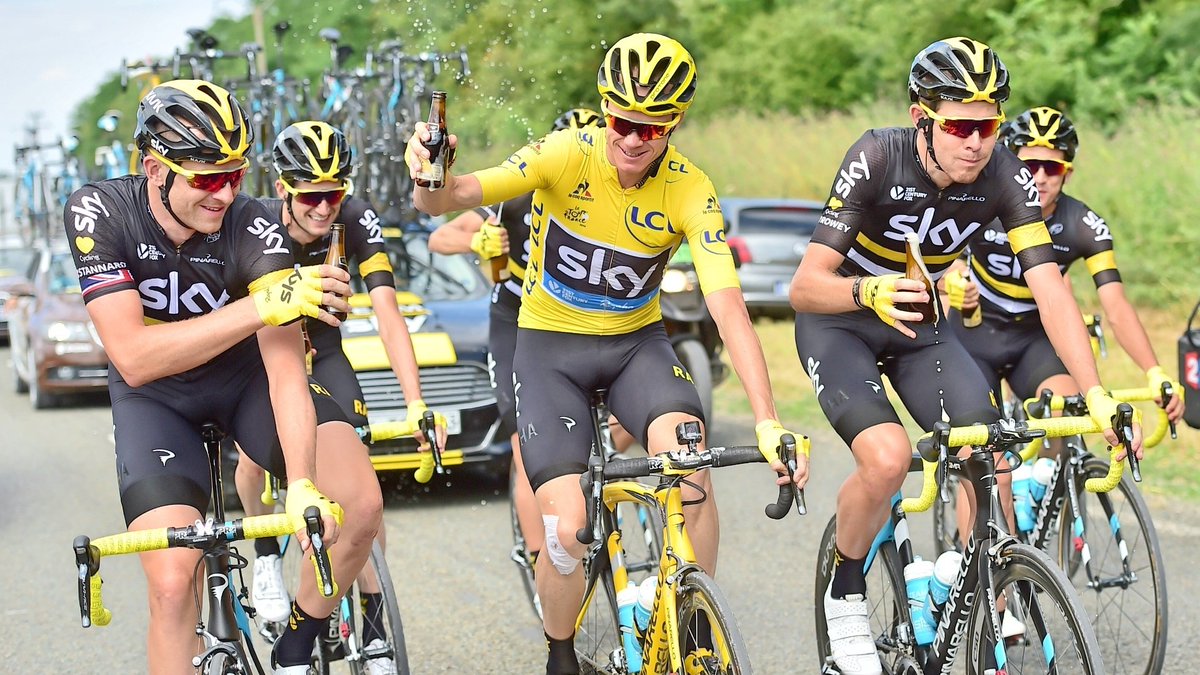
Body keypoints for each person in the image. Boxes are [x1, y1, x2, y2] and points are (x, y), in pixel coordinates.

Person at [406, 33, 807, 675]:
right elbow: (447, 200)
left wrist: (767, 420)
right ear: (604, 110)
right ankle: (561, 651)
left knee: (691, 469)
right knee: (568, 529)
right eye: (622, 122)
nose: (633, 139)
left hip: (635, 348)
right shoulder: (566, 152)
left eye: (653, 128)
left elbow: (728, 306)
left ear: (675, 125)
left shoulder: (689, 187)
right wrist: (431, 171)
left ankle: (693, 625)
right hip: (549, 352)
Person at [788, 38, 1141, 675]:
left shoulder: (1005, 175)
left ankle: (959, 578)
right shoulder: (877, 156)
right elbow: (804, 286)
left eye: (988, 126)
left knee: (990, 449)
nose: (976, 142)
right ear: (922, 119)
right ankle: (845, 589)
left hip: (919, 328)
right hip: (841, 321)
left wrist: (1096, 394)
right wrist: (869, 289)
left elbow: (1051, 291)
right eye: (959, 126)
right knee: (888, 458)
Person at [64, 80, 383, 675]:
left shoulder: (254, 224)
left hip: (244, 382)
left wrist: (302, 482)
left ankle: (296, 646)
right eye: (207, 180)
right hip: (155, 398)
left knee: (360, 504)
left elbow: (284, 369)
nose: (226, 194)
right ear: (154, 169)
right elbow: (133, 357)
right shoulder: (101, 212)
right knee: (171, 583)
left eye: (235, 176)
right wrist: (259, 307)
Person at [233, 120, 445, 673]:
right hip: (265, 355)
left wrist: (416, 402)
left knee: (359, 488)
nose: (325, 207)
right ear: (282, 188)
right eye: (311, 195)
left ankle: (371, 625)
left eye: (335, 192)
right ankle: (264, 557)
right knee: (253, 462)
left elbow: (389, 314)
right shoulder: (255, 221)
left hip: (325, 352)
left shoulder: (354, 218)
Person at [429, 108, 604, 599]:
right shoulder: (521, 191)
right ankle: (537, 552)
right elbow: (439, 235)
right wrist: (478, 241)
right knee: (527, 438)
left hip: (578, 319)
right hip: (517, 317)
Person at [945, 106, 1183, 422]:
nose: (1041, 178)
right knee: (976, 441)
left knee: (1065, 415)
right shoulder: (978, 201)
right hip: (973, 334)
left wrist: (1154, 371)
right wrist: (952, 280)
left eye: (1052, 168)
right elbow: (940, 262)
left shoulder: (1083, 225)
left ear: (1067, 174)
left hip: (1036, 340)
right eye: (1030, 165)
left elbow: (1115, 305)